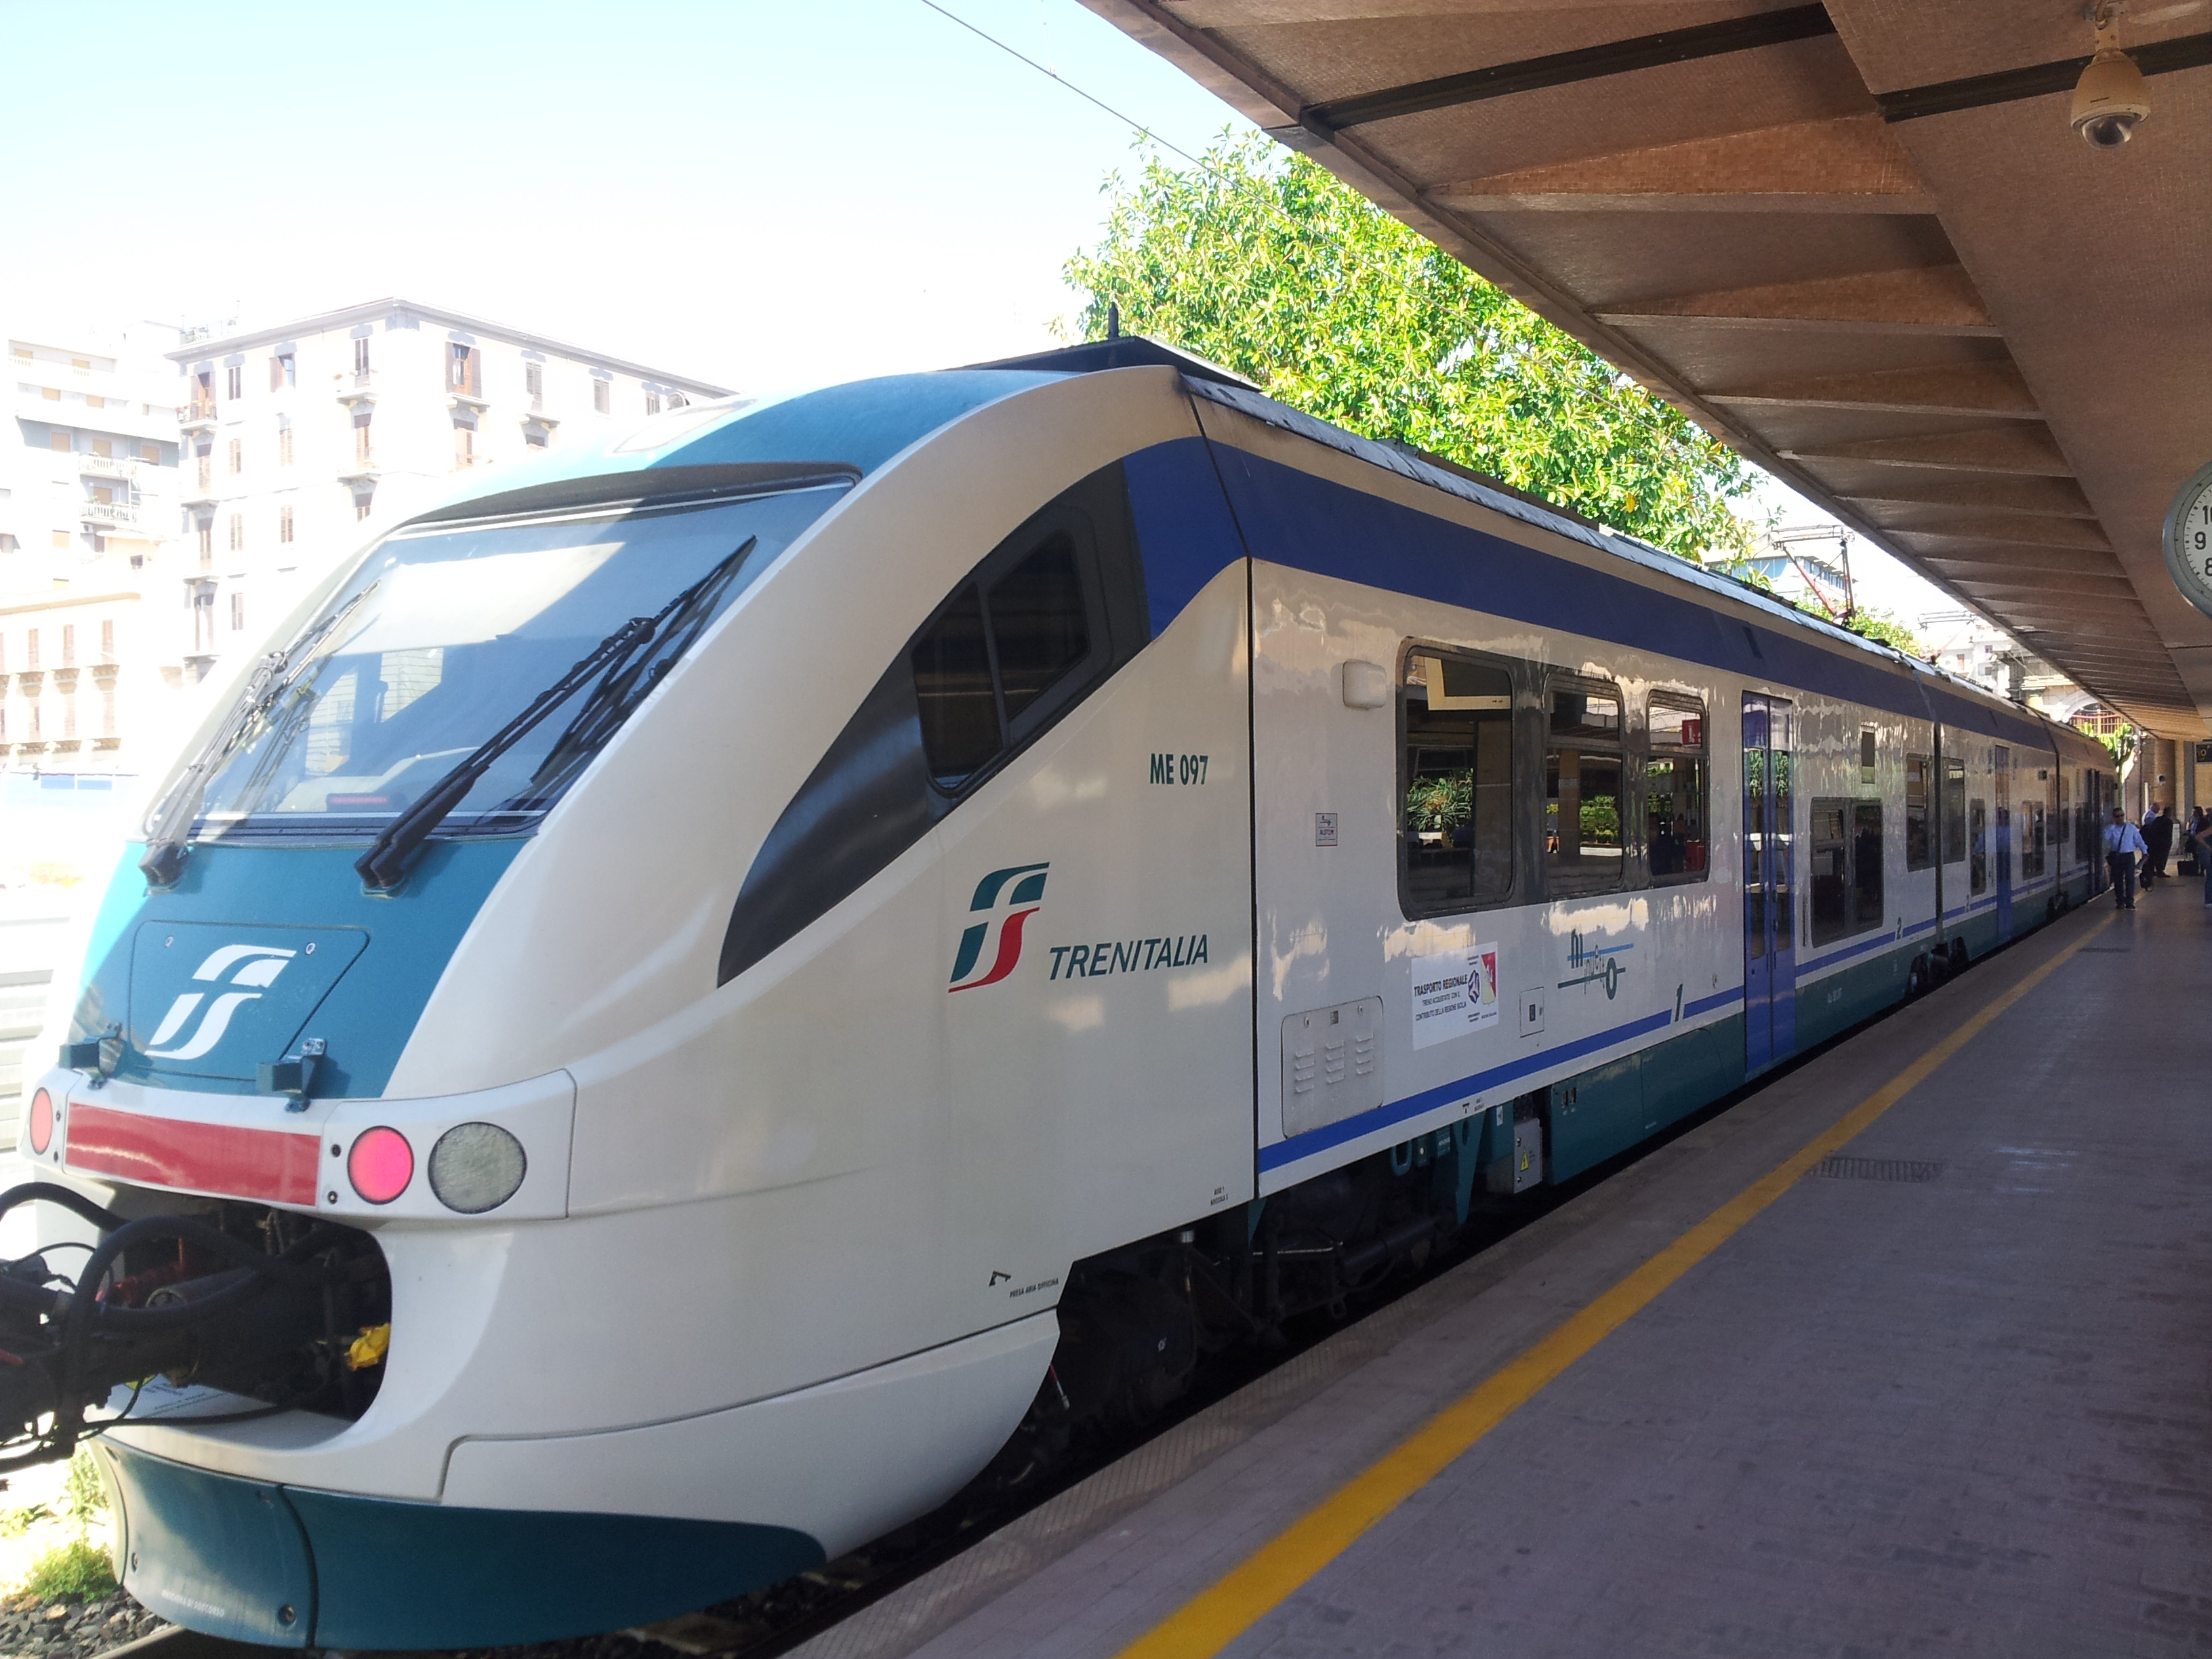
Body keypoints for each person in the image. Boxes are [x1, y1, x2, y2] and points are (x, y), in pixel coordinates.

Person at [2104, 807, 2146, 909]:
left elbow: (2139, 841)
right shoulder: (2111, 829)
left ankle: (2130, 901)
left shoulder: (2131, 828)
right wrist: (2112, 825)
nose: (2120, 818)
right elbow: (2105, 837)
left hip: (2128, 856)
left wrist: (2145, 852)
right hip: (2117, 856)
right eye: (2118, 816)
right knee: (2118, 880)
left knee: (2130, 879)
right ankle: (2120, 901)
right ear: (2114, 818)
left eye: (2122, 815)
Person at [2143, 803, 2174, 886]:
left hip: (2156, 842)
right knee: (2163, 857)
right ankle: (2160, 871)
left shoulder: (2158, 819)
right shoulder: (2168, 821)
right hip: (2164, 842)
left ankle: (2155, 870)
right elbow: (2169, 833)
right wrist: (2170, 841)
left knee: (2156, 857)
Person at [2192, 808, 2212, 909]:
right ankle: (2209, 901)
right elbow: (2198, 837)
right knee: (2211, 875)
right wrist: (2209, 848)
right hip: (2205, 852)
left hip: (2206, 852)